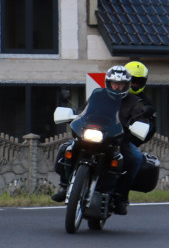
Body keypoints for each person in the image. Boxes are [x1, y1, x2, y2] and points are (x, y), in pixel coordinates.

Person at [51, 64, 156, 215]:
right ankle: (64, 186)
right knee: (65, 148)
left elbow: (139, 118)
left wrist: (138, 124)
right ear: (108, 83)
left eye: (121, 84)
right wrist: (75, 115)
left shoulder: (135, 102)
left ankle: (121, 198)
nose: (117, 87)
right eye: (114, 83)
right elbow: (84, 110)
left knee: (135, 158)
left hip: (118, 139)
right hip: (92, 133)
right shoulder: (98, 94)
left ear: (126, 85)